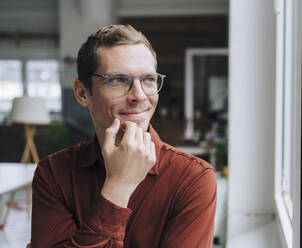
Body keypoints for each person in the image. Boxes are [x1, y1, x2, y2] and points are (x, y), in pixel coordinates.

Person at [29, 24, 217, 247]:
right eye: (118, 80)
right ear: (82, 93)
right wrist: (118, 187)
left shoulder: (193, 179)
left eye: (148, 79)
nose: (139, 96)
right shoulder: (52, 174)